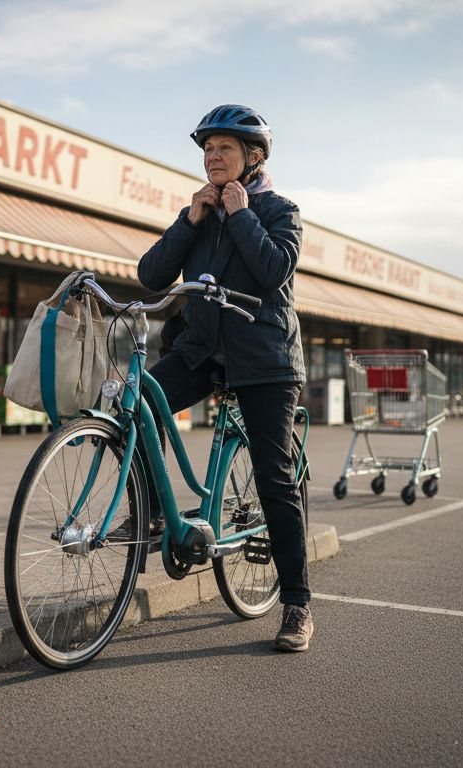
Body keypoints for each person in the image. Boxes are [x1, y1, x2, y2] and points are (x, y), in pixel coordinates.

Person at [137, 104, 312, 652]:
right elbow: (150, 275)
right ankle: (151, 513)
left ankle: (298, 605)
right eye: (208, 149)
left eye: (225, 149)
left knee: (274, 477)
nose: (213, 156)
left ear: (253, 157)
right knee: (138, 396)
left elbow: (273, 271)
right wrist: (189, 221)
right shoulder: (200, 214)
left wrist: (241, 215)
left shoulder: (280, 210)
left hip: (265, 361)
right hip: (202, 350)